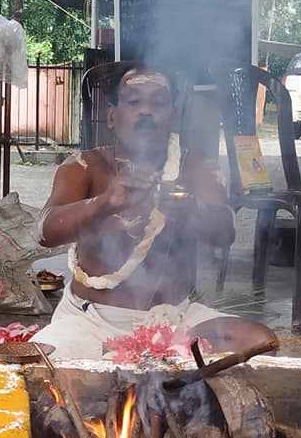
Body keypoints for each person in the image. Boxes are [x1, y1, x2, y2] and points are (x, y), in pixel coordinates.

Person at [30, 66, 277, 359]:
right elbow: (43, 232)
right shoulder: (85, 166)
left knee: (260, 342)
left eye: (158, 102)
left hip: (175, 321)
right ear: (112, 116)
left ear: (174, 116)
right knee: (42, 359)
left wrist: (191, 213)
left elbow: (226, 233)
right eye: (133, 101)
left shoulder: (195, 166)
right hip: (89, 321)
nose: (146, 110)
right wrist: (105, 203)